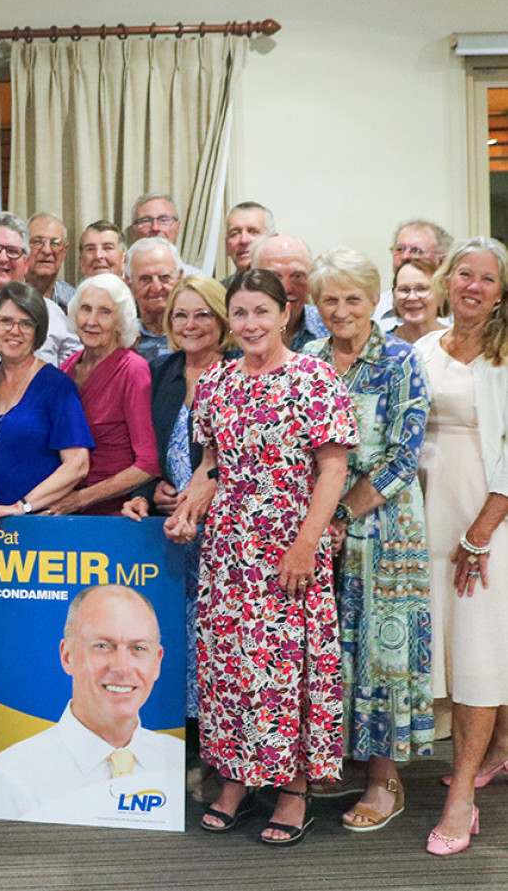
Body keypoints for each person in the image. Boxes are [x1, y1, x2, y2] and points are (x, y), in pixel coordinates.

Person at [165, 268, 357, 847]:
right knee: (230, 670)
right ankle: (237, 782)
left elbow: (334, 467)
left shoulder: (312, 378)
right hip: (227, 551)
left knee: (283, 673)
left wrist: (306, 544)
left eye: (261, 312)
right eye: (240, 313)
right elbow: (211, 464)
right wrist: (189, 507)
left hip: (288, 548)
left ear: (285, 313)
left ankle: (293, 789)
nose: (250, 324)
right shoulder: (219, 383)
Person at [301, 248, 432, 833]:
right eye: (330, 299)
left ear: (373, 301)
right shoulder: (307, 358)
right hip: (316, 525)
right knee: (332, 651)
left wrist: (343, 514)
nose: (341, 310)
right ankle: (347, 761)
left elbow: (404, 457)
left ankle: (385, 779)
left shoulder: (400, 359)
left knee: (379, 653)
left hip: (381, 531)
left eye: (353, 298)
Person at [415, 238, 508, 855]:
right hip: (427, 520)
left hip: (486, 524)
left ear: (501, 293)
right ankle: (494, 751)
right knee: (451, 647)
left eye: (488, 279)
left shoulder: (504, 357)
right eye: (464, 274)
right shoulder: (423, 348)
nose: (473, 286)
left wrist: (480, 532)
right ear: (448, 281)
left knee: (477, 649)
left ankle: (462, 800)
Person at [121, 275, 232, 725]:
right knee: (176, 638)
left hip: (226, 530)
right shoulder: (160, 372)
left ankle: (219, 750)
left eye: (203, 314)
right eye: (181, 315)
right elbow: (144, 451)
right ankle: (182, 742)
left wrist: (206, 493)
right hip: (173, 535)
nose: (191, 324)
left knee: (218, 644)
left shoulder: (239, 372)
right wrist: (150, 492)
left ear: (223, 321)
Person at [0, 585, 182, 828]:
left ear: (157, 662)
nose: (122, 667)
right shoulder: (13, 774)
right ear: (67, 657)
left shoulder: (176, 761)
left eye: (138, 648)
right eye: (103, 646)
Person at [0, 283, 92, 532]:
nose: (15, 331)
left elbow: (78, 465)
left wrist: (21, 507)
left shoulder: (57, 386)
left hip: (38, 531)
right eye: (5, 321)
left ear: (38, 331)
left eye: (26, 323)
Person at [55, 274, 161, 516]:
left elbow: (148, 464)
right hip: (64, 509)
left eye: (105, 312)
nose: (91, 320)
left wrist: (81, 498)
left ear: (121, 321)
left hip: (114, 516)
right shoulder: (67, 368)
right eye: (85, 309)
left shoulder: (133, 370)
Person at [0, 212, 79, 367]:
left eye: (13, 251)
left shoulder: (53, 317)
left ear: (26, 263)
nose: (2, 258)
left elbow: (76, 378)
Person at [253, 233, 329, 352]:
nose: (285, 288)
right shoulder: (231, 334)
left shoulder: (329, 326)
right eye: (274, 277)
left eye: (297, 276)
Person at [376, 219, 452, 323]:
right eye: (400, 249)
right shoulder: (374, 309)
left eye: (417, 251)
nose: (405, 256)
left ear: (442, 261)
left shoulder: (458, 313)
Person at [125, 238, 182, 361]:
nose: (156, 288)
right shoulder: (121, 340)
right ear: (129, 284)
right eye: (145, 279)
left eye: (164, 277)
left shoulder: (196, 336)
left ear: (180, 278)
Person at [389, 257, 447, 344]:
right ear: (394, 296)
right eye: (404, 289)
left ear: (440, 296)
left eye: (422, 289)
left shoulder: (458, 344)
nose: (412, 297)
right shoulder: (381, 347)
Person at [26, 212, 74, 310]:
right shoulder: (7, 298)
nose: (46, 250)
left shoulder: (74, 301)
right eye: (37, 242)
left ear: (64, 252)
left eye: (55, 243)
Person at [223, 201, 275, 277]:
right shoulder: (219, 288)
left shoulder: (288, 286)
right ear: (226, 246)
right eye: (235, 234)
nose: (244, 240)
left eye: (253, 232)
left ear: (272, 240)